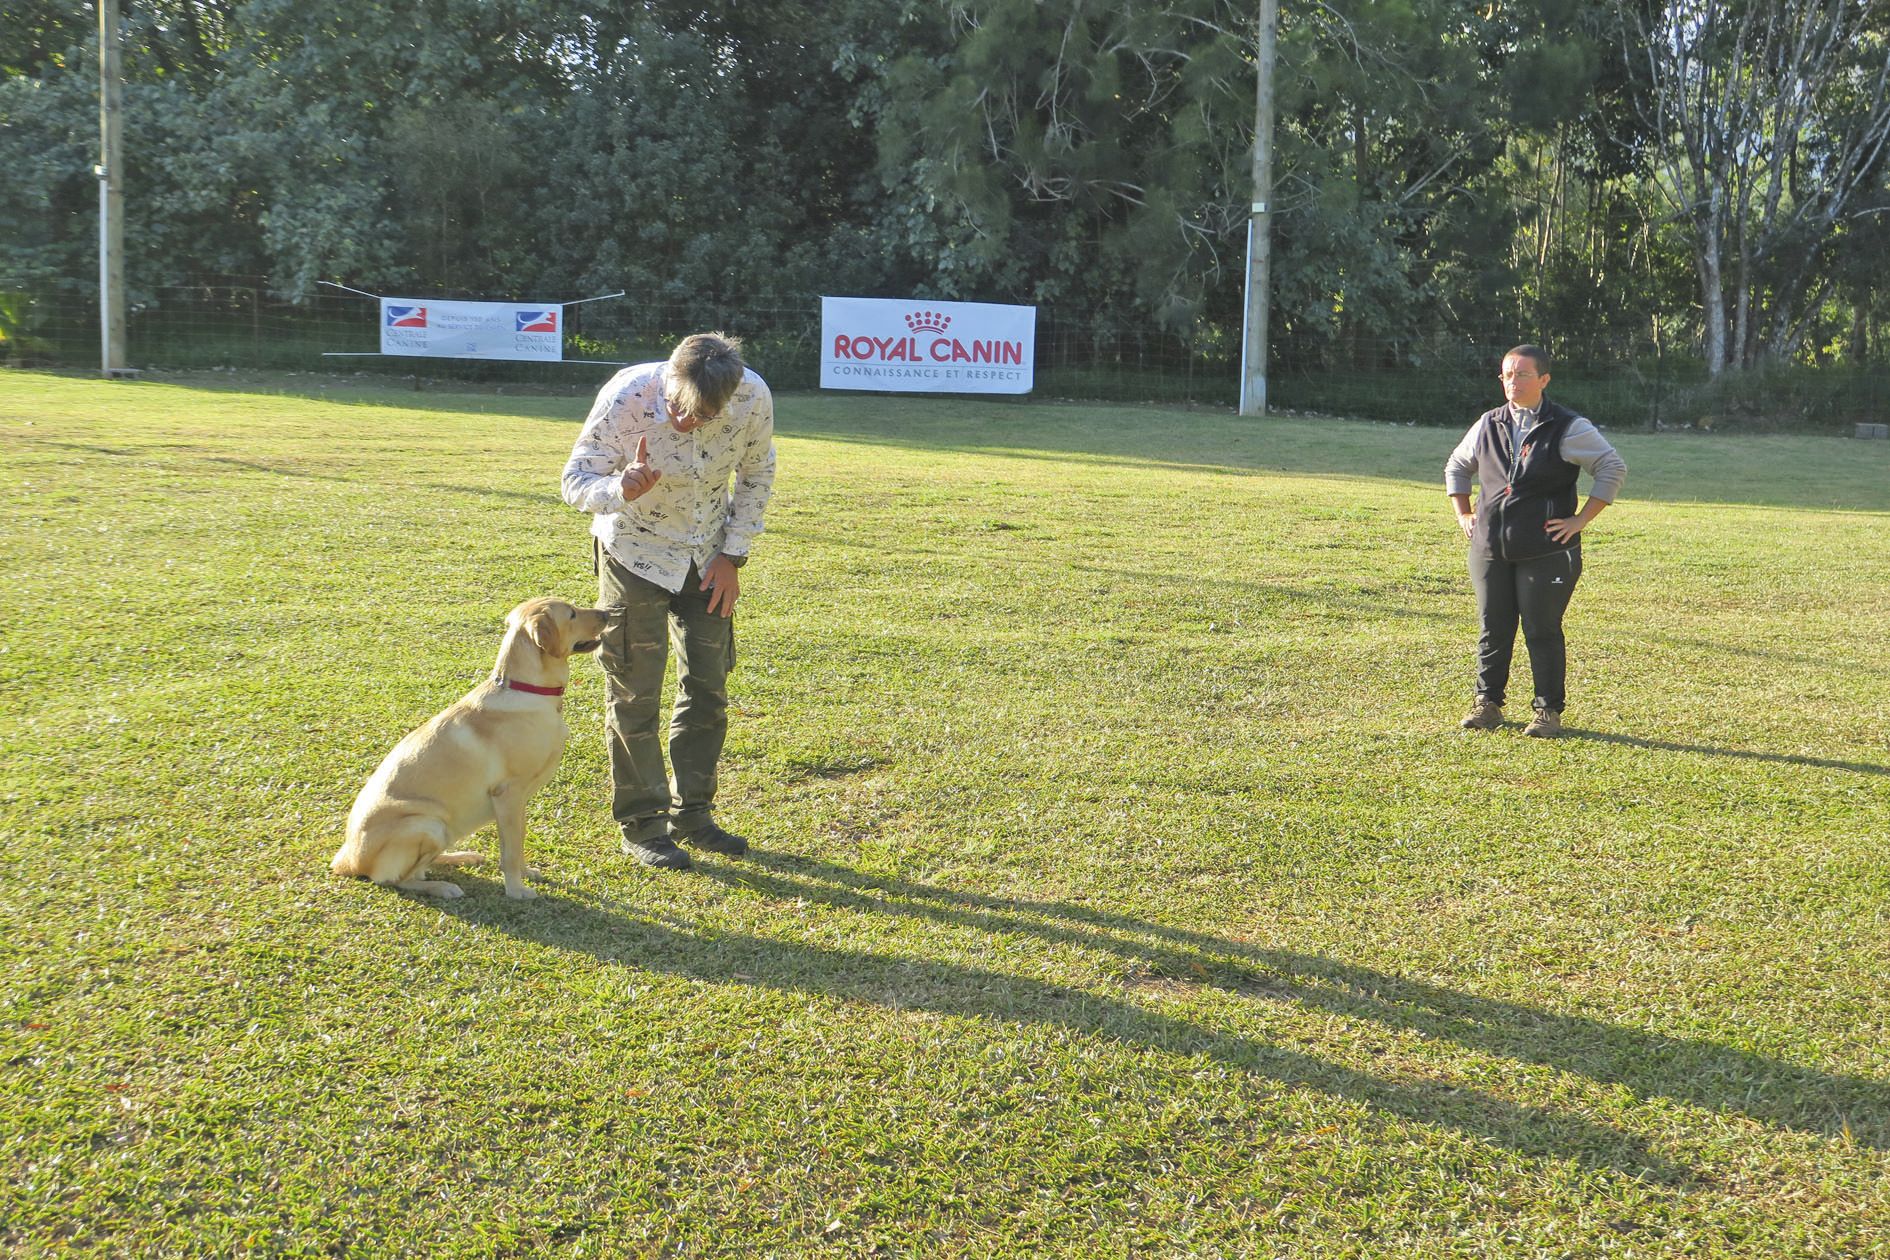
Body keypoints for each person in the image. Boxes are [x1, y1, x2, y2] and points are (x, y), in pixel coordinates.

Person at [561, 333, 776, 868]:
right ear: (668, 383)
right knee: (635, 691)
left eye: (705, 417)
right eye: (681, 410)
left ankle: (694, 816)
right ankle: (644, 826)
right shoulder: (627, 394)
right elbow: (574, 479)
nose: (689, 423)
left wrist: (735, 554)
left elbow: (756, 474)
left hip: (708, 557)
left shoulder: (753, 397)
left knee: (709, 686)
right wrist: (619, 489)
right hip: (634, 553)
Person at [1444, 344, 1625, 737]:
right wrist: (1463, 513)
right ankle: (1487, 704)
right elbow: (1457, 465)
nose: (1514, 382)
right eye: (1507, 374)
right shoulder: (1488, 423)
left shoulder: (1568, 426)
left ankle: (1547, 712)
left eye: (1523, 374)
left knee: (1541, 630)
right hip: (1490, 548)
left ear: (1544, 379)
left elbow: (1611, 466)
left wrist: (1579, 520)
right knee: (1493, 627)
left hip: (1546, 552)